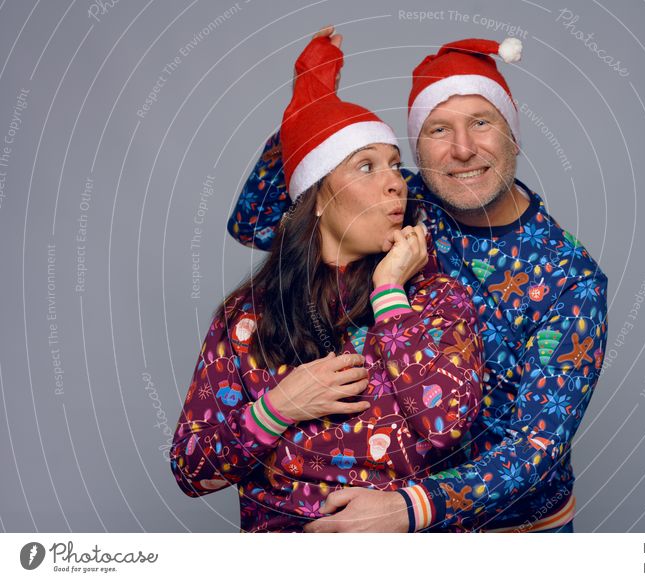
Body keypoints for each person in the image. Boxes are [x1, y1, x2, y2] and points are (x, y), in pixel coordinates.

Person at [228, 27, 609, 533]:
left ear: (512, 133)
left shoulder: (569, 278)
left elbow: (536, 444)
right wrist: (310, 106)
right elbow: (257, 223)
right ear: (417, 148)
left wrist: (409, 507)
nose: (463, 149)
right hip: (378, 521)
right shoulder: (403, 200)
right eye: (438, 130)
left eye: (481, 122)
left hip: (510, 531)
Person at [169, 35, 484, 532]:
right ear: (317, 197)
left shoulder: (436, 298)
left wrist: (389, 292)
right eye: (366, 166)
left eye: (395, 166)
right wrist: (277, 408)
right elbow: (191, 471)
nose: (395, 182)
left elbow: (444, 425)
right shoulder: (249, 318)